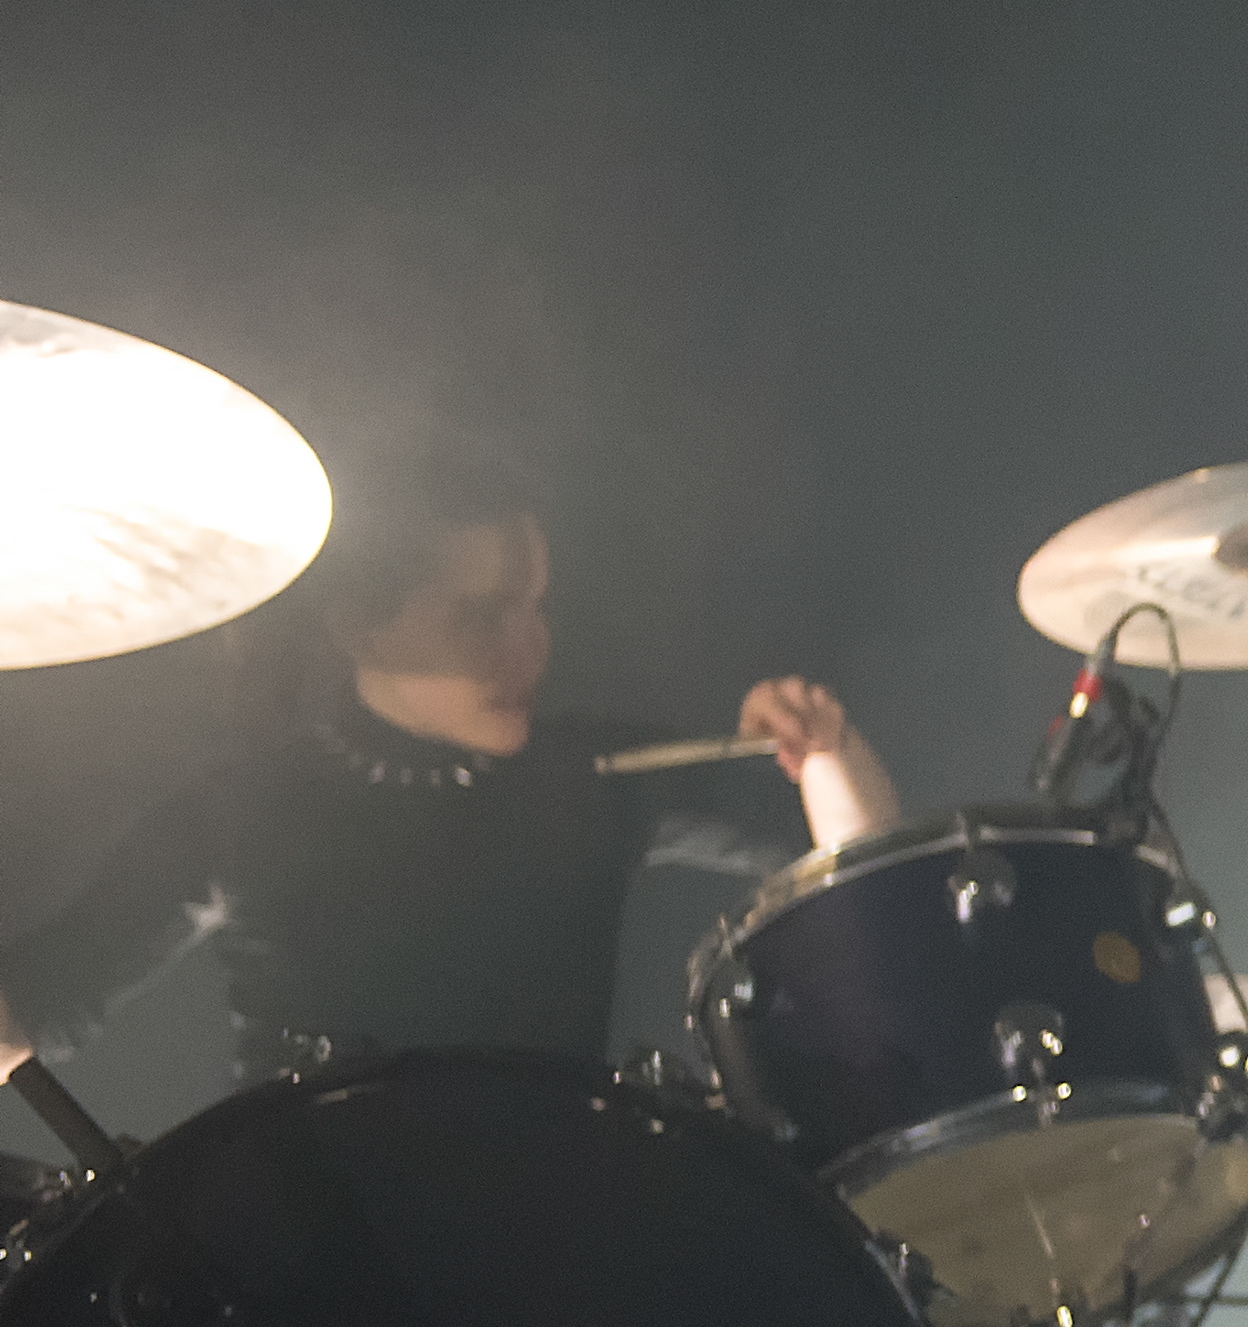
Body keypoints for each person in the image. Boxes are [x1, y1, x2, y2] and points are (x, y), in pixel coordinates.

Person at [0, 434, 902, 1090]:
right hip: (311, 1252)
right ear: (358, 625)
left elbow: (865, 870)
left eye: (534, 605)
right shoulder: (245, 811)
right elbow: (35, 1002)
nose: (527, 646)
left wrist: (823, 744)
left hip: (554, 1227)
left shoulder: (599, 772)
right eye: (478, 617)